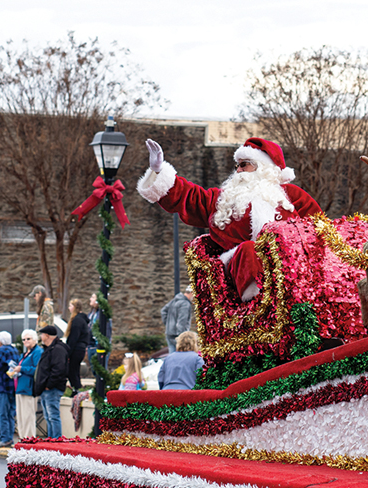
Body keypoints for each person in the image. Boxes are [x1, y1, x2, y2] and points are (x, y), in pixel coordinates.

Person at [138, 137, 322, 302]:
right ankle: (259, 305)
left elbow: (319, 228)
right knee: (248, 251)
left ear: (264, 168)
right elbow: (191, 197)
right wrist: (159, 171)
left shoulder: (292, 196)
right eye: (238, 165)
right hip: (239, 271)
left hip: (290, 270)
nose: (239, 170)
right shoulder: (225, 199)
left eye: (245, 164)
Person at [33, 326, 68, 439]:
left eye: (42, 335)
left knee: (53, 415)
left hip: (52, 389)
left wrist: (49, 385)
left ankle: (56, 439)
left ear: (47, 336)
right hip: (46, 388)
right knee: (48, 416)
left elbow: (58, 370)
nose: (41, 337)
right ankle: (51, 438)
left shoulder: (58, 349)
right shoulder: (49, 348)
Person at [0, 331, 19, 448]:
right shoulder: (14, 350)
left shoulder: (1, 351)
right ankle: (9, 437)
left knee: (1, 414)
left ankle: (5, 438)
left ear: (0, 341)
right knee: (10, 414)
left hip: (2, 386)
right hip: (12, 386)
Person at [12, 329, 43, 439]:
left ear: (35, 339)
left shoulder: (37, 352)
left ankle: (29, 438)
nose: (26, 341)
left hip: (29, 388)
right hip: (20, 387)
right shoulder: (24, 354)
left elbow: (37, 369)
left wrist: (22, 369)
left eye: (28, 339)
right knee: (20, 416)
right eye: (24, 339)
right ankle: (22, 437)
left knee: (28, 415)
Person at [64, 298, 90, 391]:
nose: (69, 308)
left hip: (76, 349)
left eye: (70, 306)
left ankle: (77, 388)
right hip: (80, 349)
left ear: (74, 307)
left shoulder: (77, 320)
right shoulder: (81, 320)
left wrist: (68, 352)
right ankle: (76, 388)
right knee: (75, 370)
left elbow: (74, 338)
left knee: (72, 370)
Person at [160, 286, 194, 353]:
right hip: (178, 336)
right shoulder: (185, 304)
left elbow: (163, 311)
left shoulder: (174, 300)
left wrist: (168, 325)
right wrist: (182, 336)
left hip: (169, 333)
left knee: (172, 356)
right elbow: (182, 321)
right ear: (191, 293)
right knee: (181, 357)